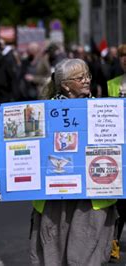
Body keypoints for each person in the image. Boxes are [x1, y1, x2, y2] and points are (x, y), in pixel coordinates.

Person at [34, 58, 117, 265]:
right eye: (80, 78)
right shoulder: (42, 112)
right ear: (65, 84)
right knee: (53, 253)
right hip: (54, 195)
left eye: (87, 75)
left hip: (93, 196)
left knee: (86, 254)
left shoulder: (104, 111)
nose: (87, 80)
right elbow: (28, 151)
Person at [106, 43, 126, 262]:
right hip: (119, 146)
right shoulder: (112, 84)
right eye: (122, 56)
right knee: (119, 199)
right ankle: (114, 243)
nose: (125, 59)